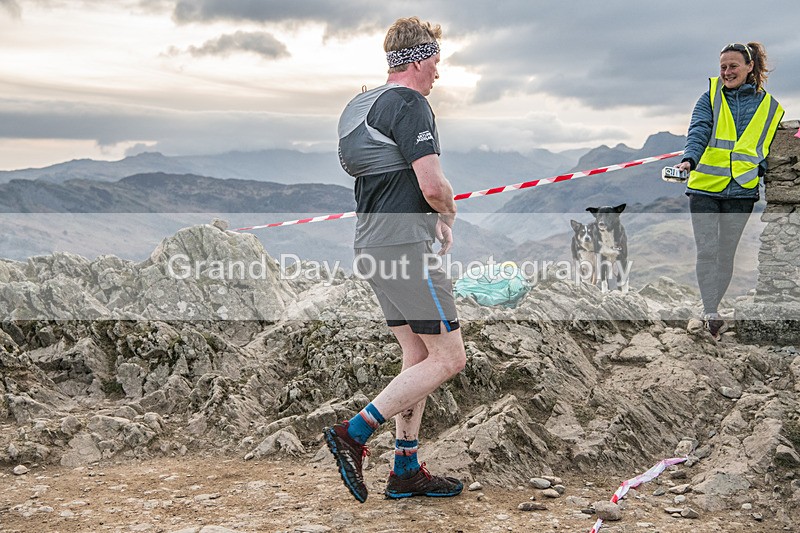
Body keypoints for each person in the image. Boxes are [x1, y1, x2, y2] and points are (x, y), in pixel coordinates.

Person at [323, 17, 467, 503]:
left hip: (372, 244)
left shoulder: (367, 107)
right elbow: (431, 184)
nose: (437, 75)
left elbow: (391, 180)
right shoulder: (410, 104)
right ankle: (354, 433)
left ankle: (405, 467)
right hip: (405, 249)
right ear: (419, 59)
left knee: (419, 355)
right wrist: (448, 209)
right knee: (450, 358)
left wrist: (433, 220)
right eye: (435, 63)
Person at [676, 42, 784, 340]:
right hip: (705, 188)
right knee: (707, 250)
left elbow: (772, 147)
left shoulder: (771, 108)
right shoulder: (709, 96)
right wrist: (689, 160)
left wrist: (759, 170)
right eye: (723, 67)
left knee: (726, 255)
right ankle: (711, 313)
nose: (727, 72)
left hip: (742, 191)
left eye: (733, 66)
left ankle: (711, 307)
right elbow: (698, 130)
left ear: (750, 67)